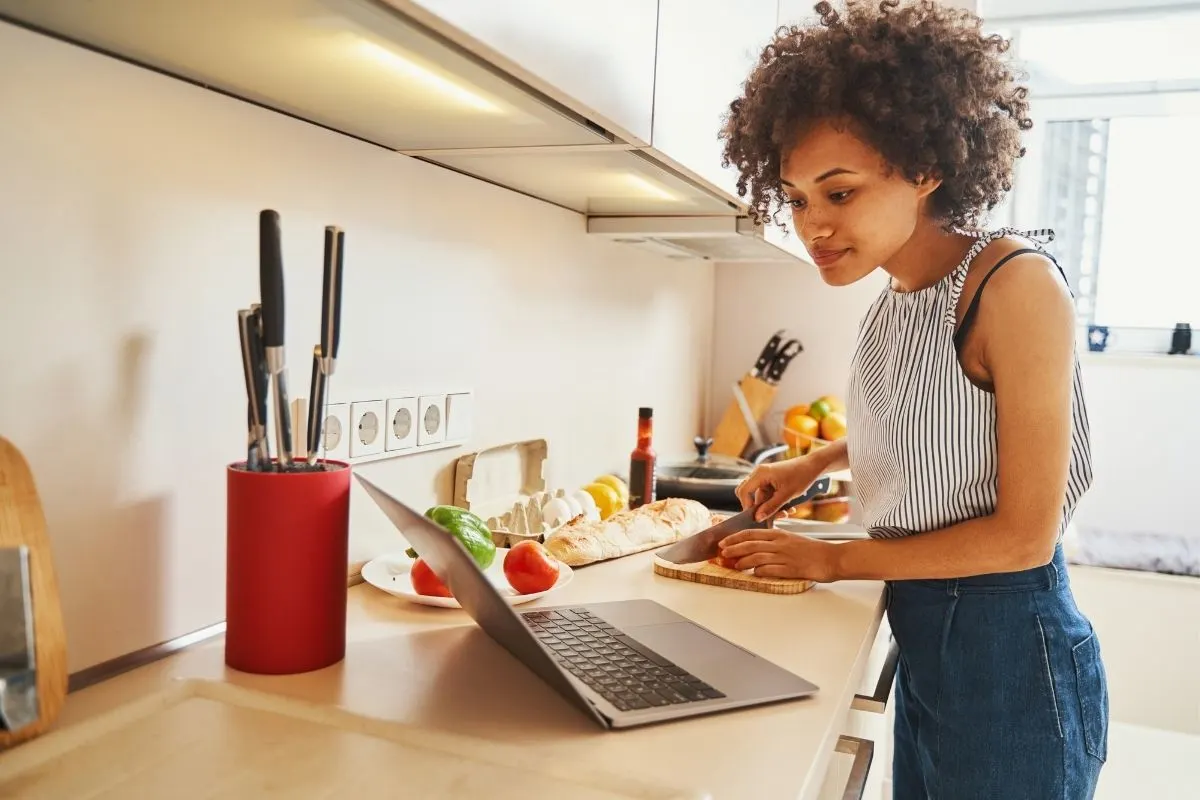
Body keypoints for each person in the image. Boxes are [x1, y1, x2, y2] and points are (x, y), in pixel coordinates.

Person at [715, 2, 1109, 797]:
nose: (812, 227)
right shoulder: (895, 295)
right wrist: (816, 462)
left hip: (1012, 653)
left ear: (926, 166)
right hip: (930, 634)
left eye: (839, 192)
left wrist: (833, 560)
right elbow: (935, 422)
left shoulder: (1014, 286)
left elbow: (1024, 538)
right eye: (794, 199)